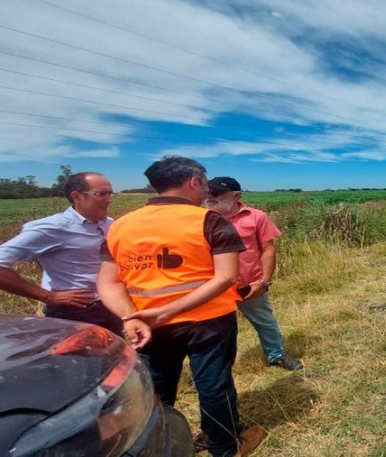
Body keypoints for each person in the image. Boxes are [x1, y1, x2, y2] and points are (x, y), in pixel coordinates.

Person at [96, 156, 263, 457]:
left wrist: (129, 317)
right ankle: (225, 447)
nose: (207, 192)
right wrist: (166, 311)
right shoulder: (210, 221)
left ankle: (153, 447)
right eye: (205, 184)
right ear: (194, 182)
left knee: (155, 390)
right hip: (208, 321)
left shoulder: (121, 226)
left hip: (148, 325)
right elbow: (226, 277)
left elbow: (108, 283)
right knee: (214, 385)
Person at [0, 172, 122, 334]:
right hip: (74, 313)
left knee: (114, 357)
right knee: (79, 359)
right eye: (101, 194)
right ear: (77, 196)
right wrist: (48, 297)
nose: (109, 199)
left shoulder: (109, 223)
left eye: (110, 193)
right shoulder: (51, 228)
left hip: (110, 306)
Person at [204, 176, 303, 371]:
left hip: (248, 285)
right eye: (208, 192)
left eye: (216, 193)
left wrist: (264, 281)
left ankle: (276, 355)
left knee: (265, 322)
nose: (211, 196)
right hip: (213, 287)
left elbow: (268, 250)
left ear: (236, 195)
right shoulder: (202, 218)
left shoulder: (256, 217)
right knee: (211, 330)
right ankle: (213, 369)